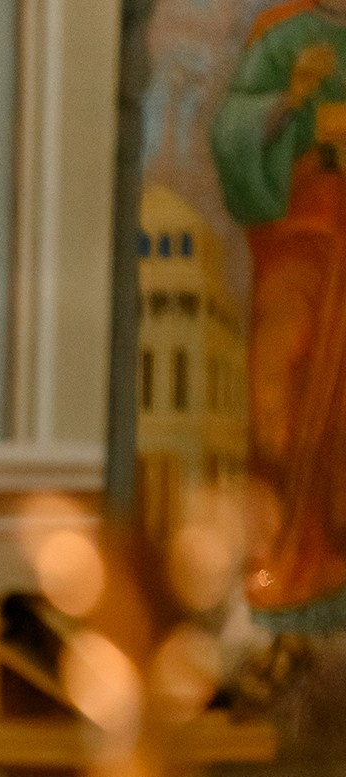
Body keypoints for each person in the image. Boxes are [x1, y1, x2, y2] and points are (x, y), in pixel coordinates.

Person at [214, 0, 346, 616]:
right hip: (300, 241)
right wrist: (292, 101)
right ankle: (281, 560)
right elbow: (233, 133)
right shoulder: (283, 31)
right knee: (282, 396)